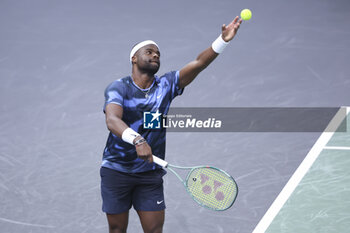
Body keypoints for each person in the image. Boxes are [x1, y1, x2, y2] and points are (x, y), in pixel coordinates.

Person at [101, 16, 242, 233]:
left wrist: (222, 41)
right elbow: (112, 120)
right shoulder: (118, 88)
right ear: (134, 58)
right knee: (117, 229)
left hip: (149, 172)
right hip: (116, 170)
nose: (155, 54)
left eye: (157, 53)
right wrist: (138, 140)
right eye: (149, 51)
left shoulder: (166, 85)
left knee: (155, 230)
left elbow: (199, 63)